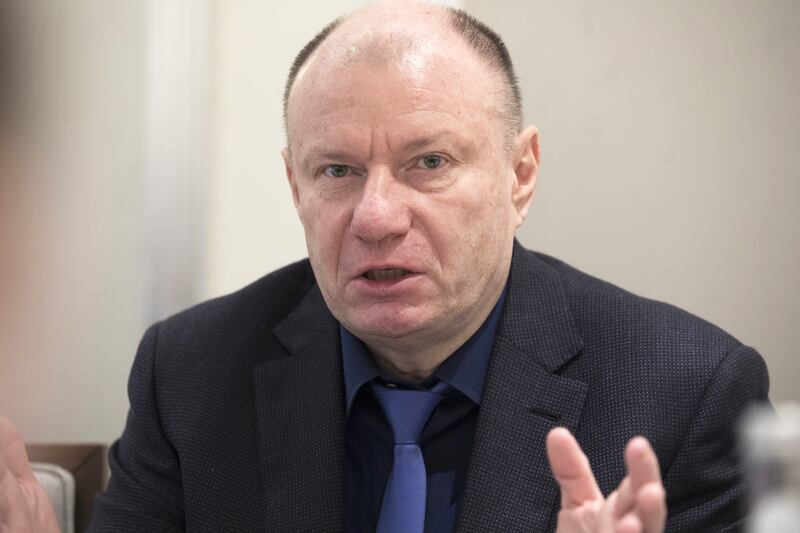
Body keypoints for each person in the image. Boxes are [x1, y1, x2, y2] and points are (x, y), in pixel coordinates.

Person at [0, 2, 769, 532]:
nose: (374, 217)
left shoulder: (688, 391)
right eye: (336, 170)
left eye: (428, 162)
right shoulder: (192, 373)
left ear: (520, 173)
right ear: (295, 184)